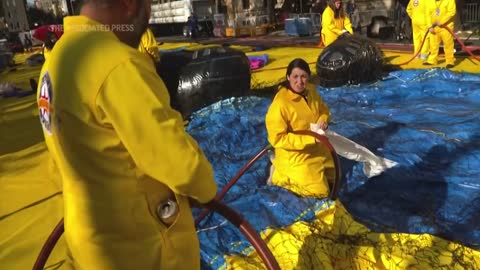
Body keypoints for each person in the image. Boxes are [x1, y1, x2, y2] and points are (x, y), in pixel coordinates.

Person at [36, 0, 218, 268]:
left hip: (88, 246)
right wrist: (207, 189)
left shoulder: (57, 60)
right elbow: (183, 166)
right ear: (131, 4)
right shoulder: (118, 63)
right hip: (140, 251)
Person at [265, 58, 335, 198]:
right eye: (295, 77)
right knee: (321, 192)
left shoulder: (311, 91)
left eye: (303, 77)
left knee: (334, 177)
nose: (300, 81)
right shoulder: (280, 104)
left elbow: (324, 110)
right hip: (297, 156)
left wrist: (323, 120)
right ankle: (279, 174)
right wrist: (310, 139)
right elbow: (277, 139)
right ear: (288, 77)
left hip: (318, 148)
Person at [424, 0, 456, 68]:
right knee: (433, 45)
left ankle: (450, 61)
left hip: (446, 27)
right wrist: (429, 26)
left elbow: (452, 12)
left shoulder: (450, 1)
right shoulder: (429, 1)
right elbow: (427, 15)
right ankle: (432, 60)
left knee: (448, 45)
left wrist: (442, 21)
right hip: (434, 27)